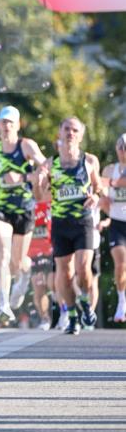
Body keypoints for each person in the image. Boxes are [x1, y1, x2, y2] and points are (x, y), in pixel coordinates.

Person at [0, 106, 46, 326]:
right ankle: (4, 305)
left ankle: (24, 275)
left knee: (17, 263)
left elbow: (45, 166)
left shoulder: (26, 145)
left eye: (10, 122)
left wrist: (24, 177)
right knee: (1, 256)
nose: (6, 126)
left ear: (17, 125)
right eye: (3, 122)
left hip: (24, 209)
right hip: (1, 209)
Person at [38, 117, 103, 336]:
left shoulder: (89, 160)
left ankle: (85, 301)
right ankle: (73, 316)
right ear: (59, 132)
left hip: (83, 222)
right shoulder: (50, 163)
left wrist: (95, 196)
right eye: (66, 129)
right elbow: (40, 192)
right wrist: (40, 181)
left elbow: (99, 187)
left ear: (81, 135)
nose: (70, 133)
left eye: (75, 130)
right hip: (60, 224)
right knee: (64, 275)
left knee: (83, 268)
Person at [101, 132, 126, 323]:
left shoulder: (111, 177)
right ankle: (122, 301)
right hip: (117, 222)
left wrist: (112, 184)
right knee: (120, 263)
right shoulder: (110, 170)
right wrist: (104, 200)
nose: (124, 151)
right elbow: (100, 191)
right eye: (121, 147)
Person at [28, 185, 54, 330]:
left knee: (53, 283)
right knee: (38, 286)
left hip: (52, 249)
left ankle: (65, 312)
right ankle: (44, 318)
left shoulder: (54, 202)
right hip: (33, 251)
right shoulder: (26, 203)